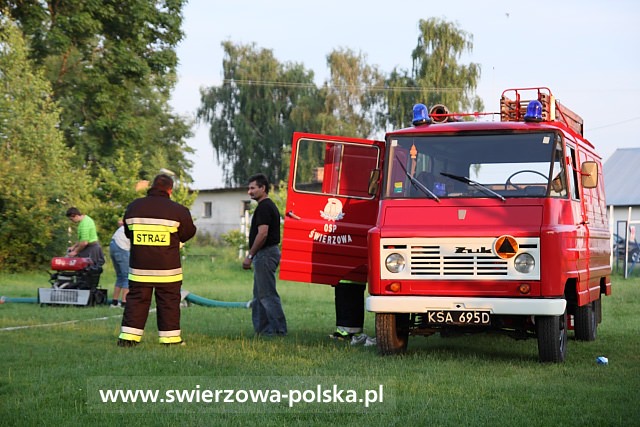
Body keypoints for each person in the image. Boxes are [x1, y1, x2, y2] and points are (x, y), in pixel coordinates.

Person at [117, 174, 196, 347]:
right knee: (168, 303)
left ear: (152, 186)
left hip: (140, 268)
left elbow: (128, 233)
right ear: (170, 189)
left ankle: (128, 339)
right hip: (168, 269)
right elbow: (189, 232)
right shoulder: (178, 210)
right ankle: (171, 340)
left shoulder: (134, 207)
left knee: (136, 301)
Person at [242, 173, 287, 336]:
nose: (250, 191)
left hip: (266, 254)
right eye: (249, 188)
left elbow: (263, 233)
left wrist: (250, 255)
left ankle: (278, 330)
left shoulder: (264, 207)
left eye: (253, 188)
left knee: (267, 295)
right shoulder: (266, 206)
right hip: (266, 254)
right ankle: (263, 330)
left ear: (263, 188)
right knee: (259, 295)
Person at [109, 219, 130, 308]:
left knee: (120, 276)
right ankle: (124, 303)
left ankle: (114, 302)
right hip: (122, 246)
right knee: (127, 276)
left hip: (113, 245)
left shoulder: (130, 221)